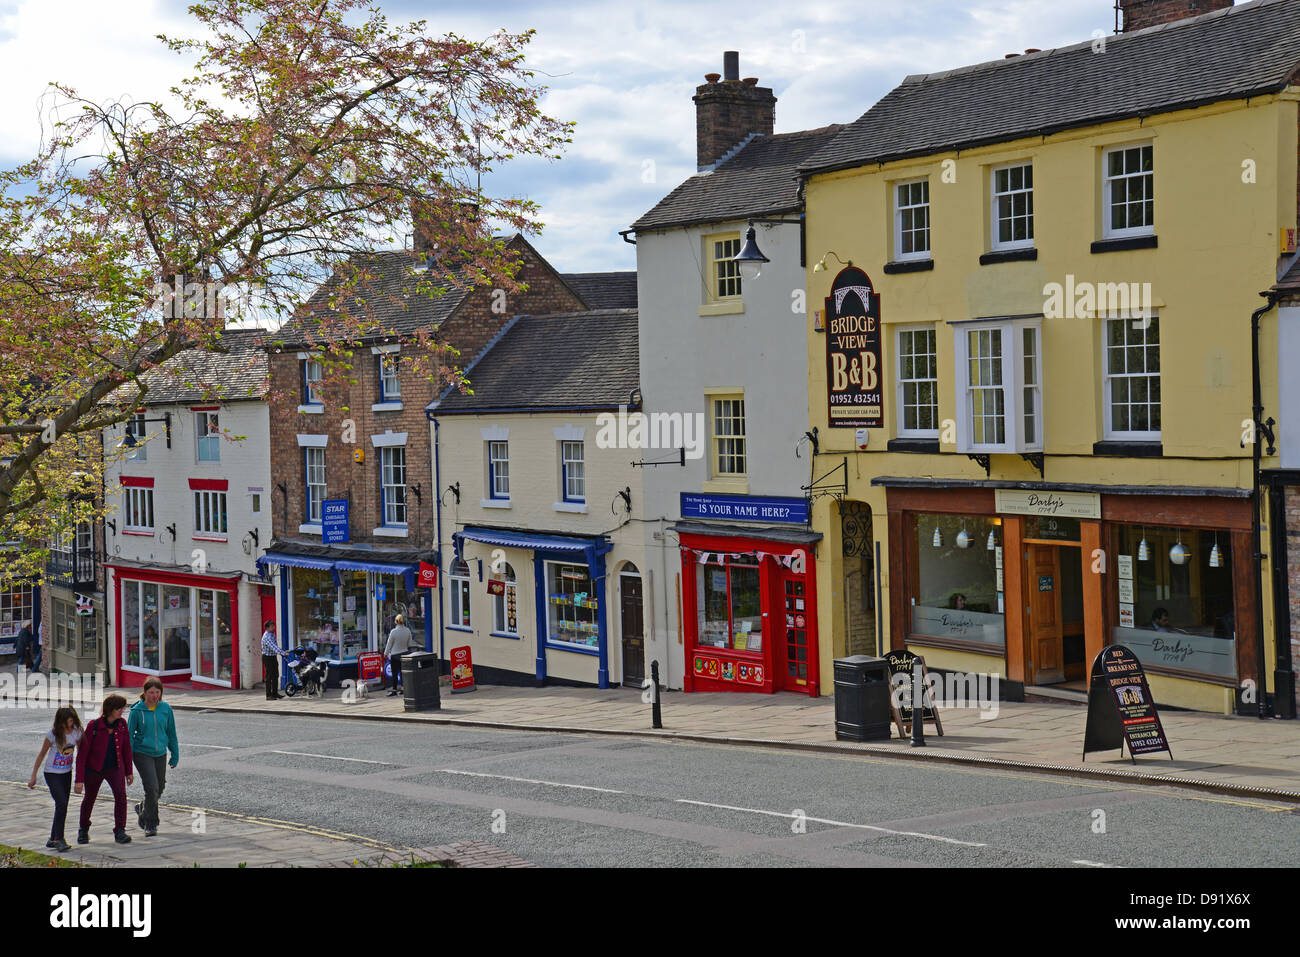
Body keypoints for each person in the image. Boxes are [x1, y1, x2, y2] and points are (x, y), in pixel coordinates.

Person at [74, 694, 134, 845]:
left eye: (123, 708)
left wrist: (129, 771)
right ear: (109, 709)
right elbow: (82, 754)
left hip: (114, 768)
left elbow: (126, 749)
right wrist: (79, 779)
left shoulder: (122, 725)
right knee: (89, 798)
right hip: (93, 768)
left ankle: (120, 830)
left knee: (121, 796)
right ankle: (83, 829)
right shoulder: (94, 726)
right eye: (118, 708)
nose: (122, 711)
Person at [27, 706, 83, 852]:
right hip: (52, 773)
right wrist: (33, 776)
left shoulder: (76, 732)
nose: (67, 725)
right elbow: (41, 755)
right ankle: (59, 839)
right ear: (59, 722)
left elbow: (82, 752)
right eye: (64, 722)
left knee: (62, 806)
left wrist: (81, 777)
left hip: (66, 773)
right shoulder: (52, 734)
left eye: (70, 721)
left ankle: (53, 838)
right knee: (61, 803)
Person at [128, 677, 179, 837]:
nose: (155, 695)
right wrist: (127, 759)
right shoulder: (136, 711)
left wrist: (175, 754)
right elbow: (129, 736)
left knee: (160, 787)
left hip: (160, 753)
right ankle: (151, 824)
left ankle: (143, 808)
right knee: (152, 788)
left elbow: (171, 732)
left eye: (157, 692)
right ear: (144, 693)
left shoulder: (165, 709)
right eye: (151, 692)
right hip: (141, 752)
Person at [383, 614, 417, 696]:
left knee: (394, 673)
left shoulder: (393, 632)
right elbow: (410, 644)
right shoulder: (407, 630)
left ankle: (394, 690)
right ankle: (403, 688)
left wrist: (385, 654)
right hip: (405, 654)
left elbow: (389, 644)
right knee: (403, 672)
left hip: (394, 655)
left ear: (396, 621)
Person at [261, 620, 284, 700]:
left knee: (275, 675)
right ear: (267, 628)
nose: (274, 627)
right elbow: (273, 647)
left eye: (273, 626)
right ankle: (268, 695)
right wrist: (282, 653)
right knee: (269, 676)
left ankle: (275, 693)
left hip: (272, 656)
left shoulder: (272, 634)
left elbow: (275, 646)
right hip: (267, 657)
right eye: (272, 626)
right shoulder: (267, 636)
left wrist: (281, 650)